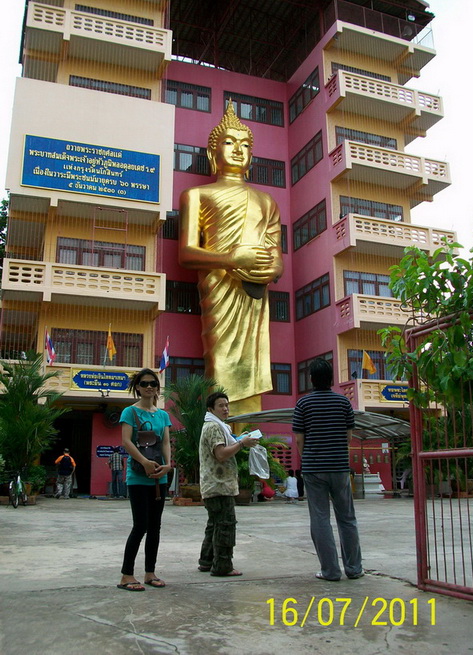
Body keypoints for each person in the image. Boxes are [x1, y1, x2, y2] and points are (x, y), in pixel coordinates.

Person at [179, 102, 283, 415]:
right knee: (220, 361)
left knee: (252, 368)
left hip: (253, 295)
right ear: (213, 154)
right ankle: (220, 437)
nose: (238, 149)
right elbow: (185, 254)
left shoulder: (267, 201)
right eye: (229, 142)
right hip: (219, 292)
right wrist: (230, 258)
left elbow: (275, 253)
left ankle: (251, 442)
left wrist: (273, 267)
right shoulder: (197, 195)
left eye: (245, 144)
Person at [292, 358, 363, 581]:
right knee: (347, 519)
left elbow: (299, 440)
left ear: (311, 379)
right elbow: (348, 437)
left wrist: (309, 461)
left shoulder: (303, 404)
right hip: (339, 467)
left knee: (320, 518)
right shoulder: (344, 403)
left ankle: (330, 571)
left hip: (314, 468)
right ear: (331, 378)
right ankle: (354, 569)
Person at [117, 368, 172, 592]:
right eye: (145, 383)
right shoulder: (130, 412)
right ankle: (126, 575)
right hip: (139, 477)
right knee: (140, 525)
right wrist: (144, 462)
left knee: (155, 527)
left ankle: (150, 573)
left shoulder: (163, 415)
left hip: (160, 478)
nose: (149, 387)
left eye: (153, 383)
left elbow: (166, 442)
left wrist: (168, 465)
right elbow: (126, 441)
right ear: (137, 387)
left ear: (157, 388)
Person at [198, 391, 259, 576]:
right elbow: (221, 454)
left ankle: (206, 561)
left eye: (227, 405)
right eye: (221, 406)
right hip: (219, 485)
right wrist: (242, 444)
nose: (225, 409)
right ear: (211, 409)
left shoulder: (216, 426)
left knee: (214, 524)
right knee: (225, 525)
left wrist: (241, 440)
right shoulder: (215, 428)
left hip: (215, 485)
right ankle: (223, 566)